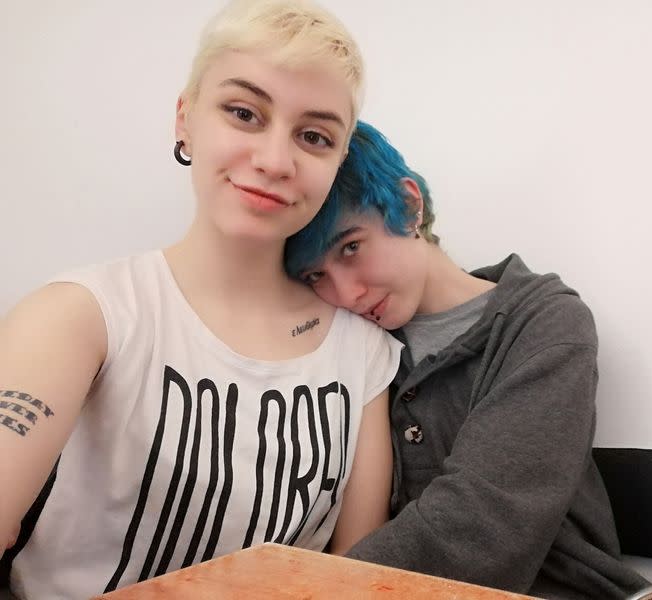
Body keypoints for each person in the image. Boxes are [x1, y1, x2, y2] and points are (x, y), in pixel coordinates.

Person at [0, 3, 402, 598]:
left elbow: (351, 579)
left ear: (337, 161)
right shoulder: (82, 315)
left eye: (314, 136)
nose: (273, 160)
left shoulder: (366, 357)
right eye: (243, 113)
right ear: (185, 118)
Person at [284, 121, 651, 600]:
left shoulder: (543, 322)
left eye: (351, 248)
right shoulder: (355, 348)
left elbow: (483, 524)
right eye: (316, 276)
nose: (345, 293)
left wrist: (310, 591)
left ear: (410, 206)